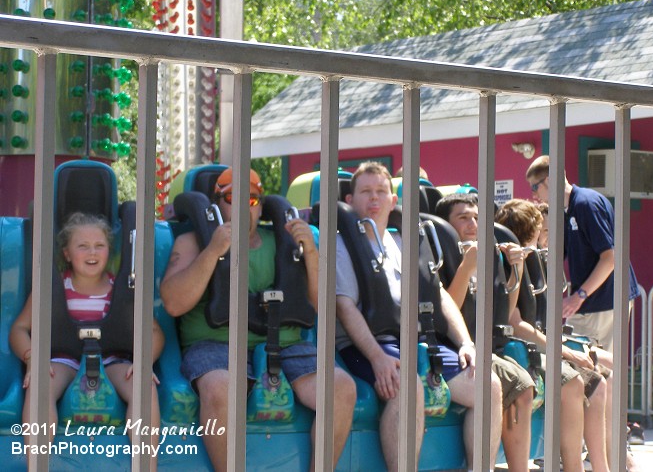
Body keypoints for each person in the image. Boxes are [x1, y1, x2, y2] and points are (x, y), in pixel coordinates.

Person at [160, 167, 356, 471]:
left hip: (286, 343)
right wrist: (212, 251)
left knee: (341, 387)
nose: (241, 208)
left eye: (251, 200)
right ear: (216, 205)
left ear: (261, 206)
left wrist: (312, 254)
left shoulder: (282, 240)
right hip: (216, 343)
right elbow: (173, 303)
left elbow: (321, 307)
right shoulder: (192, 242)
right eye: (230, 199)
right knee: (220, 388)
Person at [335, 162, 503, 471]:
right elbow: (345, 308)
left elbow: (438, 296)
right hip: (369, 345)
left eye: (381, 192)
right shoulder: (341, 245)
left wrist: (466, 343)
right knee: (406, 387)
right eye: (365, 192)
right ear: (350, 201)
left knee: (488, 385)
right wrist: (376, 357)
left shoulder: (405, 243)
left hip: (418, 342)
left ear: (393, 200)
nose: (374, 199)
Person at [437, 193, 587, 472]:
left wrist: (515, 268)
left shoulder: (489, 253)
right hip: (456, 347)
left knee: (569, 380)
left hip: (492, 344)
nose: (472, 224)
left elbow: (504, 310)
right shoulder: (442, 256)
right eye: (463, 218)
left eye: (477, 218)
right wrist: (466, 267)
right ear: (445, 224)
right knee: (521, 382)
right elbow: (448, 314)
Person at [10, 212, 163, 470]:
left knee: (144, 388)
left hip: (113, 358)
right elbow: (19, 329)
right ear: (67, 253)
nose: (92, 252)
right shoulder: (54, 288)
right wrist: (31, 356)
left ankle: (147, 465)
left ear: (109, 251)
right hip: (62, 359)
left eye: (99, 245)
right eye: (83, 246)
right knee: (39, 387)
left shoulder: (122, 290)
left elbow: (155, 332)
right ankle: (37, 465)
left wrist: (144, 360)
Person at [497, 198, 611, 472]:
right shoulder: (512, 262)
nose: (547, 237)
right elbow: (516, 322)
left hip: (541, 343)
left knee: (605, 370)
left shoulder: (537, 261)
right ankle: (574, 466)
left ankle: (605, 463)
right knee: (577, 380)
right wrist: (563, 350)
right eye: (543, 230)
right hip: (519, 347)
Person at [526, 155, 640, 353]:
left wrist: (579, 296)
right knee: (580, 361)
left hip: (605, 299)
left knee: (595, 365)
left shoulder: (586, 204)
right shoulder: (567, 209)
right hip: (590, 301)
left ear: (551, 180)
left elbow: (611, 257)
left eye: (535, 187)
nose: (534, 194)